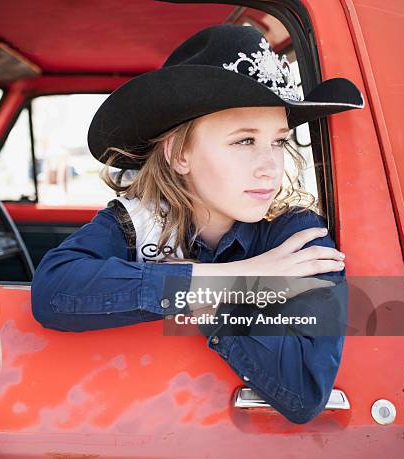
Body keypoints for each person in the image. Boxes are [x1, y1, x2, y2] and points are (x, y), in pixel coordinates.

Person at [31, 25, 363, 424]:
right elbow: (53, 292)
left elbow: (304, 392)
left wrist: (193, 294)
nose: (269, 167)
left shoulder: (298, 240)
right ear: (179, 154)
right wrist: (236, 279)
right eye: (244, 141)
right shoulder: (140, 220)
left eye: (278, 141)